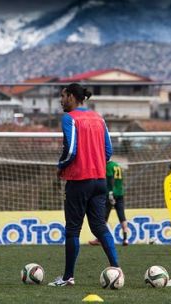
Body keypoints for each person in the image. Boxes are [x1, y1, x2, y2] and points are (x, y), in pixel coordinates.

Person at [48, 83, 120, 286]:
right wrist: (95, 163)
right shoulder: (99, 118)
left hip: (79, 181)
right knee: (99, 226)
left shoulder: (69, 118)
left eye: (63, 96)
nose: (61, 100)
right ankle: (116, 268)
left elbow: (70, 150)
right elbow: (108, 151)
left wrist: (61, 166)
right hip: (99, 181)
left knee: (72, 230)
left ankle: (67, 277)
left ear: (71, 96)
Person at [89, 160, 129, 246]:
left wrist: (110, 192)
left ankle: (100, 238)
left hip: (111, 194)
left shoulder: (108, 166)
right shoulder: (117, 165)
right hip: (120, 193)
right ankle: (125, 239)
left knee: (103, 216)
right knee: (122, 216)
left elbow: (110, 180)